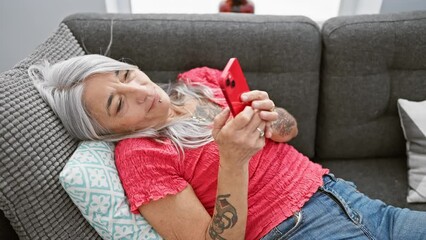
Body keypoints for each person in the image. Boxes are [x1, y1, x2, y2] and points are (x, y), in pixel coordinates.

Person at [29, 54, 426, 240]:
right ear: (104, 131)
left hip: (351, 198)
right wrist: (233, 161)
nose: (140, 90)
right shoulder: (140, 157)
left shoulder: (200, 80)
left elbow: (288, 131)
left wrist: (272, 116)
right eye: (118, 103)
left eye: (125, 73)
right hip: (296, 231)